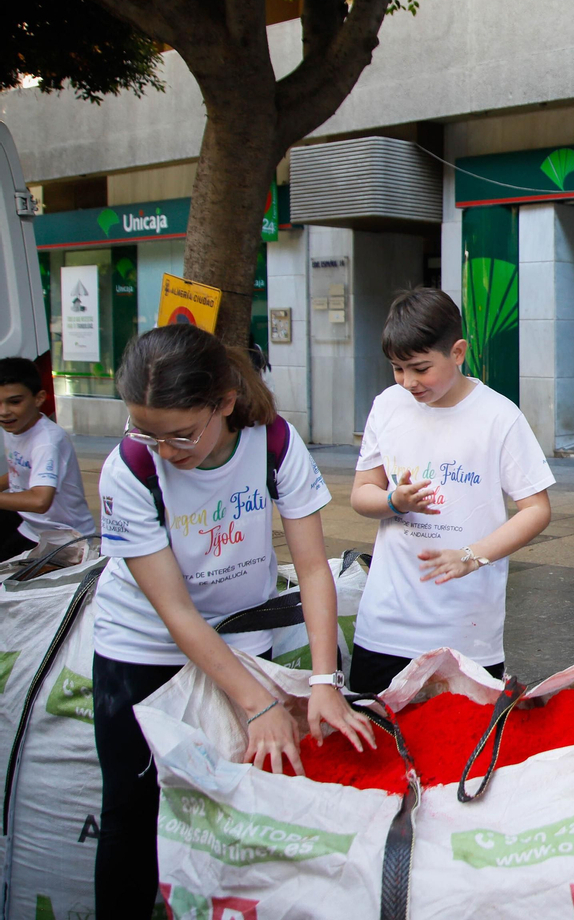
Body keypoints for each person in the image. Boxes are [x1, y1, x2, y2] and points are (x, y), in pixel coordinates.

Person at [93, 324, 373, 920]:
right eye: (146, 431)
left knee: (241, 801)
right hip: (144, 652)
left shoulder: (273, 442)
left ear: (223, 402)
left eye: (181, 435)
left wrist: (324, 682)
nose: (165, 451)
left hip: (244, 637)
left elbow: (314, 573)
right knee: (133, 811)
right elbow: (174, 612)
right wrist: (259, 704)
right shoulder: (131, 469)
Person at [347, 287, 554, 694]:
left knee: (461, 749)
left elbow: (536, 509)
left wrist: (471, 556)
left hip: (466, 628)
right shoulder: (388, 406)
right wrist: (392, 501)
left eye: (420, 368)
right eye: (397, 368)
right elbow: (362, 491)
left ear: (457, 353)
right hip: (384, 623)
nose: (408, 382)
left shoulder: (499, 417)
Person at [0, 356, 94, 562]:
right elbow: (19, 470)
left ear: (39, 398)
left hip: (63, 535)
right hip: (29, 522)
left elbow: (40, 500)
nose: (4, 412)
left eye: (14, 402)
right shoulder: (15, 426)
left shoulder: (47, 441)